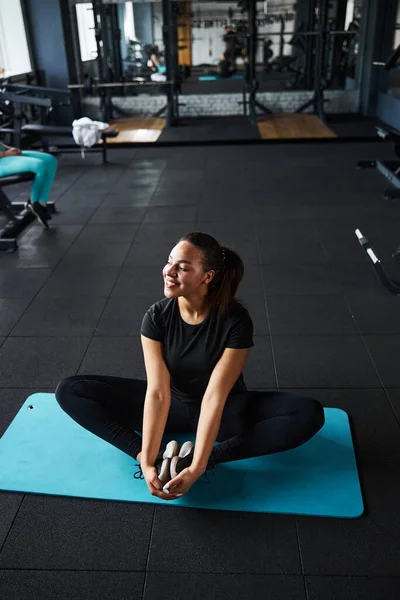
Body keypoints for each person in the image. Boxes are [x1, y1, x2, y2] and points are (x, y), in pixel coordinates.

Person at [55, 232, 325, 502]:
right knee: (71, 390)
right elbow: (158, 393)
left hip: (227, 410)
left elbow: (214, 397)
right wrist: (146, 460)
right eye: (169, 262)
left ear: (207, 276)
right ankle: (158, 460)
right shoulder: (157, 316)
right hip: (172, 405)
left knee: (307, 413)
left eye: (182, 267)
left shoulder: (235, 320)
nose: (169, 272)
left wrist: (198, 465)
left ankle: (208, 458)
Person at [0, 144, 58, 228]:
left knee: (50, 160)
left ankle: (41, 203)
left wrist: (9, 149)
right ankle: (35, 203)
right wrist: (6, 154)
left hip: (4, 155)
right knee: (39, 165)